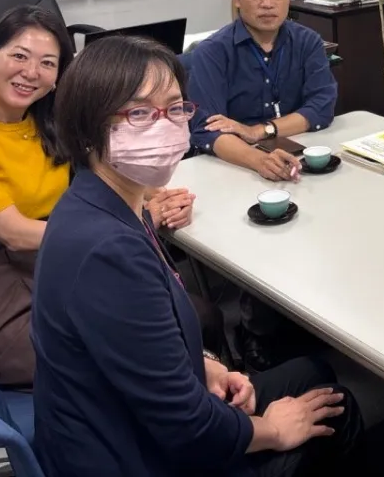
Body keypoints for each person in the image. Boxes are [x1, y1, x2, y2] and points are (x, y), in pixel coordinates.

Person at [32, 35, 363, 477]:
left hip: (132, 418)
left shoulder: (101, 201)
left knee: (312, 371)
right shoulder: (108, 253)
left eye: (175, 108)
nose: (164, 126)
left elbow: (140, 348)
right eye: (139, 113)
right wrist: (271, 430)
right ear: (89, 126)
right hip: (134, 455)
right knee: (339, 411)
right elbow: (187, 429)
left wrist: (208, 369)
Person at [0, 5, 198, 387]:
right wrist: (134, 224)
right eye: (19, 56)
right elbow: (15, 234)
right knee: (131, 349)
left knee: (187, 318)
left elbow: (107, 178)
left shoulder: (47, 126)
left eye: (47, 63)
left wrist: (159, 197)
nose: (31, 72)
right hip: (1, 295)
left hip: (61, 269)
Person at [189, 0, 337, 183]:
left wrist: (259, 130)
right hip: (234, 167)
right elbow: (209, 130)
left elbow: (321, 107)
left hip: (298, 158)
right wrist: (259, 161)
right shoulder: (212, 53)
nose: (268, 4)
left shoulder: (307, 42)